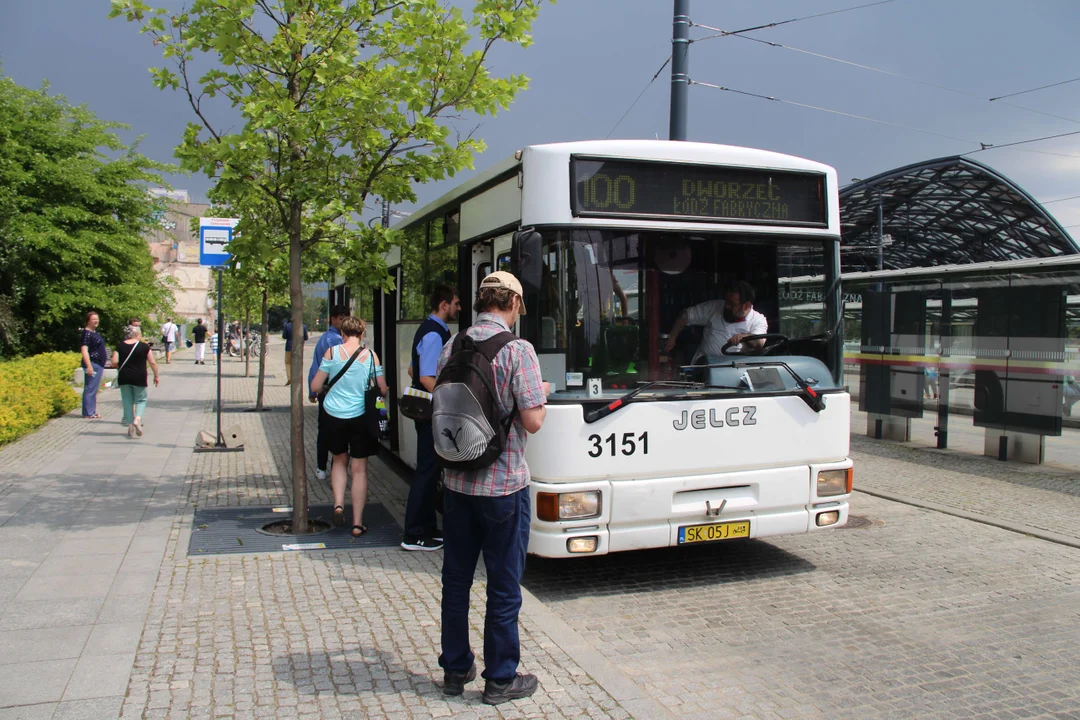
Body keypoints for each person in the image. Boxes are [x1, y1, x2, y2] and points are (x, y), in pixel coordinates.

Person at [435, 271, 549, 704]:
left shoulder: (453, 344)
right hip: (503, 487)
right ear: (514, 304)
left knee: (456, 581)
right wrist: (540, 394)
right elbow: (533, 421)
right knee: (502, 584)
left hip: (458, 482)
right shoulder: (518, 350)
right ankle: (501, 678)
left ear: (481, 301)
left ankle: (454, 668)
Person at [309, 317, 388, 537]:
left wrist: (328, 386)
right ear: (362, 334)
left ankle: (338, 505)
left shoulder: (331, 353)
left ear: (342, 333)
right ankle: (357, 523)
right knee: (359, 469)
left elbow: (315, 386)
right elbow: (381, 389)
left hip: (333, 417)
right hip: (361, 418)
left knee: (339, 460)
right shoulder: (370, 356)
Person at [401, 284, 461, 552]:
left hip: (426, 411)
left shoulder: (429, 329)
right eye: (456, 303)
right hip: (431, 412)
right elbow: (425, 376)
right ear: (444, 305)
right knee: (426, 471)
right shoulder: (435, 334)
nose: (459, 308)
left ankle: (426, 528)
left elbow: (413, 368)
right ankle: (413, 534)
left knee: (430, 469)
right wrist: (450, 398)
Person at [664, 281, 768, 361]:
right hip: (705, 366)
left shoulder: (758, 320)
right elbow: (685, 315)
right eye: (726, 301)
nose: (726, 306)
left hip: (737, 368)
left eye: (731, 304)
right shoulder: (715, 307)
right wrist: (672, 338)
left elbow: (759, 343)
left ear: (746, 306)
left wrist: (744, 337)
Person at [309, 306, 348, 481]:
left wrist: (312, 390)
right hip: (333, 391)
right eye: (340, 317)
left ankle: (321, 467)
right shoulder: (335, 340)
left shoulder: (325, 338)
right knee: (334, 430)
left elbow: (315, 365)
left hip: (324, 390)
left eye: (345, 317)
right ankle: (332, 468)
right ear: (332, 319)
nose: (343, 320)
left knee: (323, 429)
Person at [111, 324, 160, 439]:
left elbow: (114, 361)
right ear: (138, 334)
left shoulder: (120, 346)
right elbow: (152, 362)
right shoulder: (144, 346)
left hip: (124, 377)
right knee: (141, 399)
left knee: (127, 401)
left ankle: (130, 427)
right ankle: (137, 419)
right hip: (139, 377)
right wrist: (156, 376)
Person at [80, 311, 107, 419]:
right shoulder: (87, 333)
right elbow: (84, 350)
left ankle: (92, 410)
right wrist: (89, 365)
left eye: (97, 319)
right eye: (93, 319)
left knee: (94, 389)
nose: (96, 321)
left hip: (98, 363)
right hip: (93, 362)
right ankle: (88, 412)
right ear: (88, 321)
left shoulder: (94, 333)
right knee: (90, 388)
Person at [282, 319, 309, 385]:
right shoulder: (303, 326)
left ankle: (290, 377)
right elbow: (306, 337)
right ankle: (298, 377)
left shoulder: (287, 326)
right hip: (299, 347)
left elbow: (284, 336)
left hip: (289, 347)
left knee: (288, 362)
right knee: (299, 362)